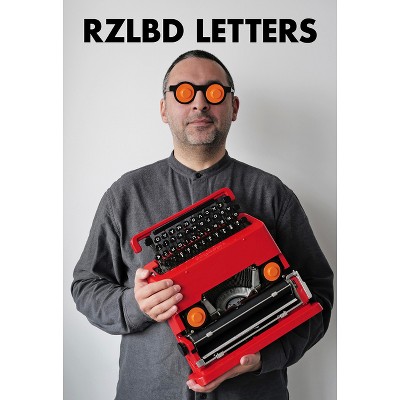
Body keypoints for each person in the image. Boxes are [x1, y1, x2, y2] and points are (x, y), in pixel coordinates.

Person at [71, 49, 334, 400]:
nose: (199, 103)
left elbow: (318, 293)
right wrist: (135, 305)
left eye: (213, 91)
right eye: (183, 92)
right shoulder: (125, 195)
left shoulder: (272, 194)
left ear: (233, 107)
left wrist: (264, 358)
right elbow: (86, 286)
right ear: (164, 109)